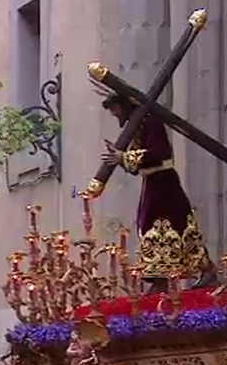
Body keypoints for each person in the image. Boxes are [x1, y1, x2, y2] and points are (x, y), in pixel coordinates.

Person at [88, 91, 215, 288]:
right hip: (153, 183)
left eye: (116, 111)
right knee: (153, 228)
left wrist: (124, 157)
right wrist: (121, 158)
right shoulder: (139, 125)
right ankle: (160, 279)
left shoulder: (150, 121)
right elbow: (139, 163)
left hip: (164, 185)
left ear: (124, 106)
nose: (116, 116)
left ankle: (201, 271)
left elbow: (158, 153)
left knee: (174, 226)